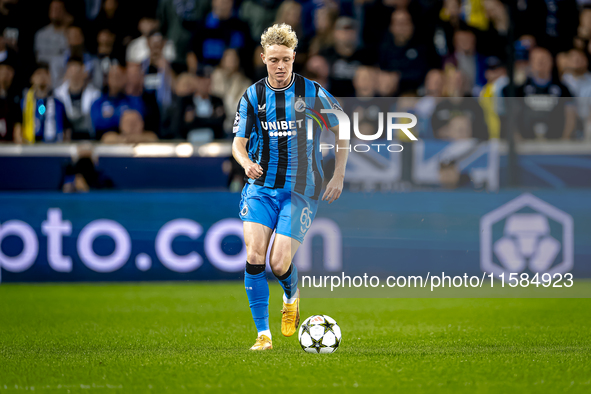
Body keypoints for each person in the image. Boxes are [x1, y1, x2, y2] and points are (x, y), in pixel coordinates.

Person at [232, 23, 348, 351]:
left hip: (301, 190)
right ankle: (263, 335)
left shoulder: (310, 93)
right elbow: (237, 144)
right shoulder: (252, 96)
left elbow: (343, 128)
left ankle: (291, 294)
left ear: (294, 57)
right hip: (260, 187)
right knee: (255, 256)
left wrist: (338, 175)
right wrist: (245, 163)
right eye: (273, 60)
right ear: (263, 58)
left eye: (285, 59)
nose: (280, 66)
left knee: (279, 263)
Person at [169, 65, 225, 141]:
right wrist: (211, 118)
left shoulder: (217, 101)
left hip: (213, 143)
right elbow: (177, 126)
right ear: (196, 81)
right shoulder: (185, 101)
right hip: (188, 144)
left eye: (207, 79)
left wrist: (195, 119)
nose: (204, 83)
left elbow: (219, 124)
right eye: (201, 80)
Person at [90, 61, 144, 139]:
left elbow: (138, 121)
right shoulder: (97, 103)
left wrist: (110, 118)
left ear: (125, 78)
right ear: (107, 79)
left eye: (119, 76)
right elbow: (98, 123)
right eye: (113, 76)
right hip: (104, 144)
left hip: (131, 141)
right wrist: (124, 119)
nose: (116, 80)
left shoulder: (134, 101)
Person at [21, 63, 70, 143]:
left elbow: (66, 128)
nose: (42, 77)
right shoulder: (24, 103)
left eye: (46, 73)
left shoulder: (59, 104)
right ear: (32, 78)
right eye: (38, 73)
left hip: (54, 148)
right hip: (30, 148)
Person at [54, 57, 101, 140]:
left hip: (89, 137)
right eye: (72, 71)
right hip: (64, 138)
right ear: (67, 72)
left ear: (85, 73)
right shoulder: (57, 94)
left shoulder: (95, 95)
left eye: (78, 71)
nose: (75, 75)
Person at [34, 0, 68, 66]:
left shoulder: (68, 35)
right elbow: (37, 57)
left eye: (58, 9)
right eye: (53, 8)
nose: (55, 11)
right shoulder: (40, 34)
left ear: (64, 11)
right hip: (42, 69)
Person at [0, 59, 21, 142]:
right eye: (2, 70)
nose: (6, 74)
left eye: (9, 71)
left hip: (9, 146)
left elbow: (18, 124)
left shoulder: (15, 99)